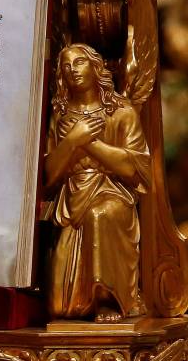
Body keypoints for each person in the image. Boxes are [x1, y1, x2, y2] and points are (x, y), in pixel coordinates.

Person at [44, 43, 150, 322]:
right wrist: (71, 141)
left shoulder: (121, 111)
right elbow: (48, 177)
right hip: (71, 199)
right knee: (59, 307)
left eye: (79, 63)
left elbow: (134, 169)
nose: (72, 70)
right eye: (66, 66)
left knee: (100, 215)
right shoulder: (61, 116)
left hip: (111, 192)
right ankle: (82, 300)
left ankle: (109, 300)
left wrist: (89, 144)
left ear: (95, 67)